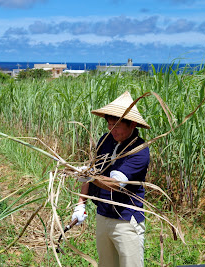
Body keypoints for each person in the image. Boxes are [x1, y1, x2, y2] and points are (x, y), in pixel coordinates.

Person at [72, 91, 150, 267]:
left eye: (116, 125)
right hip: (103, 215)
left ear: (133, 124)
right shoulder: (105, 140)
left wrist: (88, 176)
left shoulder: (140, 150)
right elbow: (92, 171)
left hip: (126, 221)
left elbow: (114, 185)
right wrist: (80, 204)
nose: (111, 129)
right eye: (109, 124)